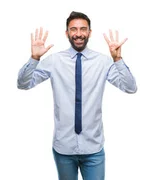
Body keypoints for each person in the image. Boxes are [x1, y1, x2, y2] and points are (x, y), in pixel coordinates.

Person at [17, 11, 137, 180]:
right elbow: (23, 84)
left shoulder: (103, 62)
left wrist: (118, 59)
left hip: (93, 149)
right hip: (63, 148)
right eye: (73, 29)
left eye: (83, 29)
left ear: (89, 32)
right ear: (67, 33)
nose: (78, 34)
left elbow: (130, 88)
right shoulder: (54, 61)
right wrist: (34, 58)